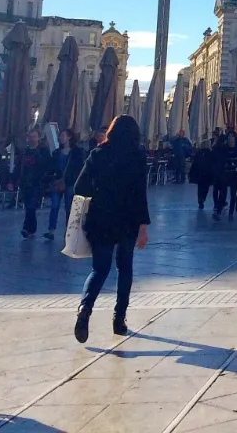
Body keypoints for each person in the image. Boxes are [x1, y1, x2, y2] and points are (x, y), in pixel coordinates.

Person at [72, 115, 150, 342]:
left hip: (100, 218)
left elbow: (80, 186)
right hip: (126, 221)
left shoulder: (98, 153)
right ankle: (119, 318)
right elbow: (140, 195)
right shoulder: (136, 157)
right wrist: (143, 227)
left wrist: (100, 190)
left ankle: (85, 309)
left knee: (99, 269)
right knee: (124, 269)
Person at [18, 130, 54, 240]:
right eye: (30, 137)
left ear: (38, 138)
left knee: (31, 206)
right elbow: (20, 166)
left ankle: (26, 228)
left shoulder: (43, 151)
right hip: (25, 183)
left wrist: (45, 179)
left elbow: (47, 165)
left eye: (34, 137)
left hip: (37, 183)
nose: (32, 139)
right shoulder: (25, 151)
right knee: (29, 206)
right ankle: (31, 230)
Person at [46, 130, 76, 242]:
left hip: (69, 183)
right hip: (57, 182)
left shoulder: (76, 152)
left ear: (69, 137)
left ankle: (68, 230)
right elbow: (51, 167)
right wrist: (52, 179)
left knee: (69, 207)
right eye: (60, 135)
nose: (60, 137)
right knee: (54, 206)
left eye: (63, 135)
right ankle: (51, 230)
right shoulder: (56, 153)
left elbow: (77, 168)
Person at [215, 133, 237, 219]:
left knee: (233, 194)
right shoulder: (223, 149)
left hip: (235, 174)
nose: (231, 142)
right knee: (222, 193)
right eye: (230, 141)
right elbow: (220, 160)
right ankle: (218, 211)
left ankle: (231, 212)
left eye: (232, 141)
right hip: (225, 173)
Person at [189, 140, 214, 209]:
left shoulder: (199, 153)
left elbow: (195, 163)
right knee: (206, 187)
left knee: (200, 188)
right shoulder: (210, 153)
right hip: (207, 174)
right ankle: (202, 199)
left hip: (200, 173)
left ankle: (200, 199)